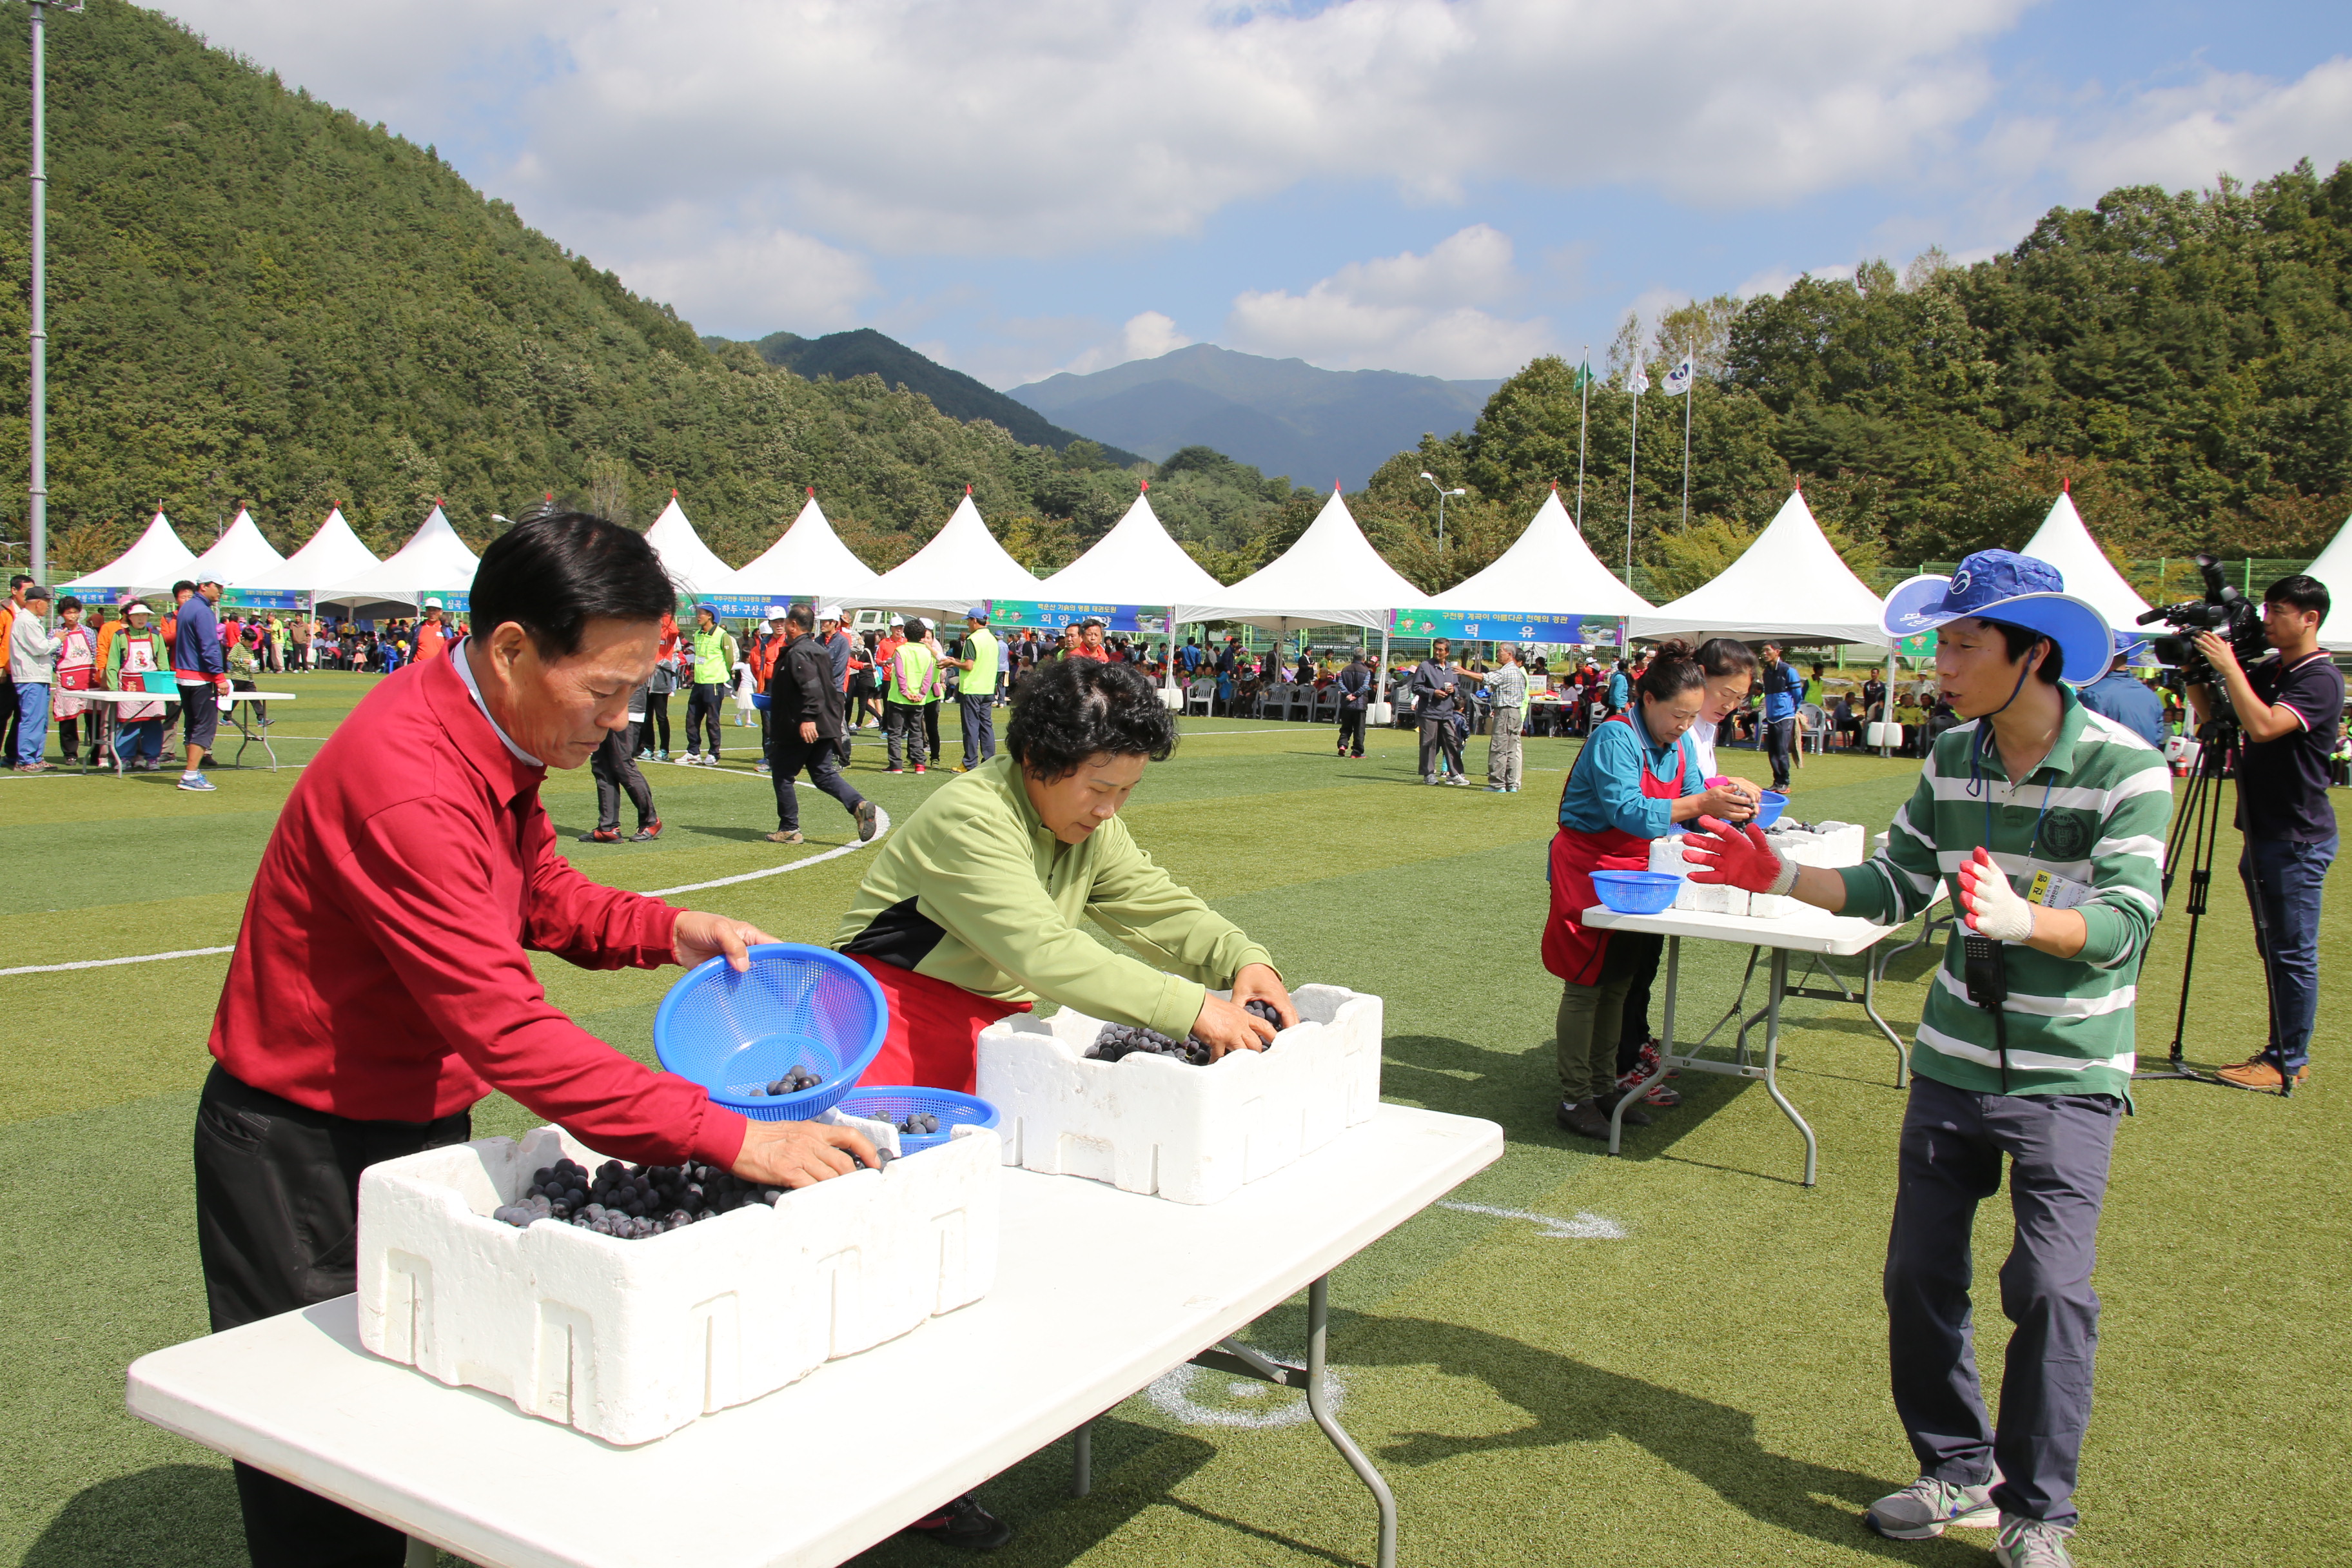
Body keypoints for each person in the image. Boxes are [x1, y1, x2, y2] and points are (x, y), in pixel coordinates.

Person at [196, 512, 881, 1568]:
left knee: (420, 1399)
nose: (616, 722)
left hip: (414, 1115)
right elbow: (504, 1026)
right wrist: (730, 1135)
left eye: (632, 694)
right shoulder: (410, 778)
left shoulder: (488, 726)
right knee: (322, 1462)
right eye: (602, 693)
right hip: (304, 1149)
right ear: (512, 648)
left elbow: (537, 892)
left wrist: (667, 927)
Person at [1682, 549, 2169, 1568]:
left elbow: (2126, 924)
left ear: (2033, 654)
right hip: (1950, 1063)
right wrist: (1775, 870)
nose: (1939, 665)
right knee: (1917, 1276)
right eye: (1938, 644)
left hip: (2066, 1076)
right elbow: (1893, 886)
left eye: (1961, 645)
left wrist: (2025, 919)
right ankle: (1957, 1469)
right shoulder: (1954, 759)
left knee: (2049, 1288)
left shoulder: (2129, 769)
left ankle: (2039, 1514)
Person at [1544, 640, 1757, 1140]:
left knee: (1621, 978)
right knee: (1586, 981)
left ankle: (1604, 1086)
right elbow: (1629, 811)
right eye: (1677, 716)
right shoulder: (1615, 738)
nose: (1684, 727)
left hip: (1640, 869)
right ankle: (1575, 1096)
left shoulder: (1678, 744)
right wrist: (1703, 802)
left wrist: (1728, 810)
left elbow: (1691, 800)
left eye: (1690, 718)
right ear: (1646, 700)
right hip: (1589, 867)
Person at [2187, 573, 2343, 1092]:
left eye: (2277, 610)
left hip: (2296, 838)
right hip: (2266, 833)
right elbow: (2220, 724)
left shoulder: (2319, 677)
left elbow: (2264, 727)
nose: (2266, 620)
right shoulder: (2276, 668)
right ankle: (2283, 1051)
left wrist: (2230, 665)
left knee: (2292, 951)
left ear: (2309, 618)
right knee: (2275, 946)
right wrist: (2196, 673)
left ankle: (2287, 1059)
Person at [765, 603, 881, 847]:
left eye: (786, 622)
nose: (784, 626)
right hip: (825, 722)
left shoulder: (799, 653)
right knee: (822, 772)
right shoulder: (817, 650)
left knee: (783, 774)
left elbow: (811, 688)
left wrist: (807, 718)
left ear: (793, 625)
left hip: (804, 726)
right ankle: (858, 805)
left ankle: (789, 828)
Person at [581, 674, 661, 845]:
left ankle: (650, 821)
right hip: (607, 706)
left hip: (625, 707)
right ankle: (608, 827)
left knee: (622, 765)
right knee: (601, 765)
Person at [172, 576, 230, 792]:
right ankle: (190, 774)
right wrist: (219, 677)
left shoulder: (187, 607)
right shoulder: (204, 611)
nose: (221, 591)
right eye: (219, 587)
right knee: (204, 725)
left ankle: (192, 771)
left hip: (184, 675)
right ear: (205, 586)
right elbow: (209, 646)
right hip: (199, 677)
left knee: (192, 724)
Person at [106, 599, 170, 769]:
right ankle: (124, 758)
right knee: (128, 723)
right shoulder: (120, 636)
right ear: (129, 617)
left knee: (153, 722)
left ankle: (152, 758)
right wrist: (113, 689)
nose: (141, 619)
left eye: (145, 615)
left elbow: (163, 663)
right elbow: (112, 664)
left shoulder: (156, 636)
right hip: (128, 686)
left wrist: (166, 686)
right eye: (137, 615)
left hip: (152, 686)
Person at [2074, 633, 2165, 748]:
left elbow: (2083, 743)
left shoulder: (2092, 695)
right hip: (2148, 762)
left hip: (2111, 764)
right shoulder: (2150, 695)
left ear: (2104, 658)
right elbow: (2158, 735)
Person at [8, 583, 61, 770]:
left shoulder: (30, 620)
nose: (48, 606)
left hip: (37, 676)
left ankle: (35, 757)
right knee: (32, 718)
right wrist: (57, 639)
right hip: (31, 677)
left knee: (39, 719)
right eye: (47, 602)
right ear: (38, 602)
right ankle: (26, 759)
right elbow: (41, 648)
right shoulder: (26, 621)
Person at [883, 614, 942, 774]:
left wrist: (905, 692)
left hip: (898, 698)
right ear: (923, 635)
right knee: (916, 732)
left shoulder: (901, 650)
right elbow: (928, 676)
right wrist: (922, 693)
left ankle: (896, 765)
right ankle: (920, 764)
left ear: (905, 634)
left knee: (895, 732)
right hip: (919, 700)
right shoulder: (927, 653)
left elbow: (900, 674)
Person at [680, 603, 736, 765]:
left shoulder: (722, 635)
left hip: (713, 684)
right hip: (698, 682)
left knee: (712, 720)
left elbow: (730, 659)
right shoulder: (697, 634)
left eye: (701, 614)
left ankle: (714, 753)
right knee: (692, 718)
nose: (698, 617)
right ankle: (693, 752)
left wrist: (720, 675)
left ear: (710, 615)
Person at [948, 606, 1000, 772]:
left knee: (971, 726)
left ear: (975, 621)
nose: (968, 624)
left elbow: (969, 665)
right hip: (987, 688)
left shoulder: (973, 639)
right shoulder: (992, 639)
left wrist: (952, 662)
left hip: (972, 688)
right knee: (986, 725)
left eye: (969, 621)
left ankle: (970, 763)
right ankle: (990, 761)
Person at [1413, 640, 1467, 786]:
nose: (1437, 652)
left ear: (1447, 652)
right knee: (1428, 744)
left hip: (1447, 712)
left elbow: (1457, 686)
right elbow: (1416, 687)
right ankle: (1428, 774)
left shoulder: (1451, 668)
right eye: (1436, 649)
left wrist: (1453, 690)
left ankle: (1454, 774)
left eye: (1441, 650)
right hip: (1429, 712)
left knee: (1453, 741)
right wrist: (1433, 692)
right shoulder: (1425, 666)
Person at [1476, 644, 1529, 791]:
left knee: (1498, 747)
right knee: (1511, 750)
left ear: (1510, 654)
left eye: (1500, 651)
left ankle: (1497, 784)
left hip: (1506, 712)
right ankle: (1511, 783)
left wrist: (1464, 672)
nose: (1497, 654)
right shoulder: (1519, 673)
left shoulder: (1507, 671)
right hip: (1516, 713)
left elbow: (1485, 678)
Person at [1757, 640, 1805, 792]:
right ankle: (1777, 782)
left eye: (1767, 650)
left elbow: (1798, 695)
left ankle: (1784, 781)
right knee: (1772, 750)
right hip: (1772, 716)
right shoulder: (1767, 673)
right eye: (1762, 651)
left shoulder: (1788, 671)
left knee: (1781, 749)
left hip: (1785, 716)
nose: (1764, 654)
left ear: (1777, 652)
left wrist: (1793, 710)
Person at [1333, 651, 1373, 758]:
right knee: (1359, 729)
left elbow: (1340, 684)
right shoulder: (1366, 671)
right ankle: (1357, 751)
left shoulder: (1345, 669)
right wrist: (1355, 695)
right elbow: (1365, 686)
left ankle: (1342, 744)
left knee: (1346, 727)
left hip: (1347, 703)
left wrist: (1348, 694)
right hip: (1360, 705)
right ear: (1364, 658)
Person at [412, 598, 455, 662]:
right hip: (420, 667)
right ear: (426, 612)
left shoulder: (447, 630)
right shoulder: (417, 629)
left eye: (435, 610)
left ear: (441, 612)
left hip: (439, 667)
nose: (432, 613)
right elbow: (412, 649)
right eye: (429, 610)